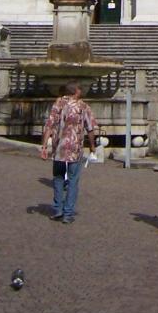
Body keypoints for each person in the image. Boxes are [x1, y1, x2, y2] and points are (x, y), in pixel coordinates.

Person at [40, 81, 97, 224]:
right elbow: (90, 129)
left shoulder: (58, 104)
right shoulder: (83, 107)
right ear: (75, 92)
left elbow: (49, 125)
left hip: (58, 149)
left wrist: (44, 146)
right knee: (73, 181)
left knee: (58, 179)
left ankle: (58, 208)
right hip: (75, 149)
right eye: (80, 89)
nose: (81, 90)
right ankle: (68, 213)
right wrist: (92, 146)